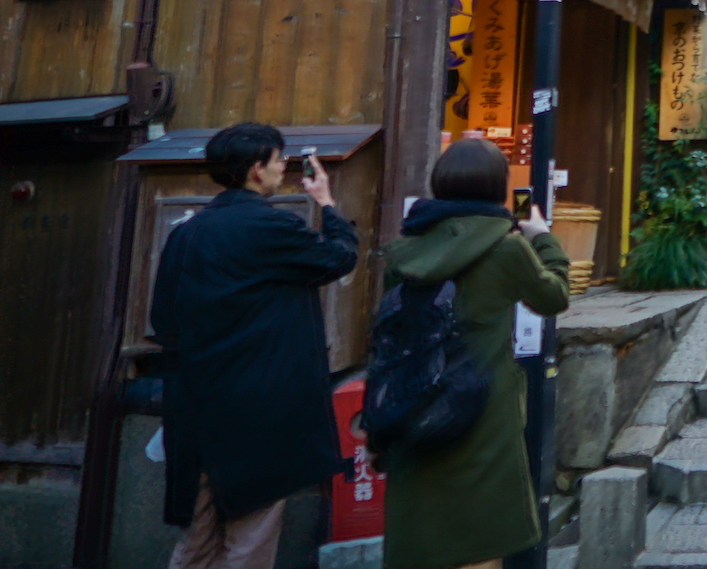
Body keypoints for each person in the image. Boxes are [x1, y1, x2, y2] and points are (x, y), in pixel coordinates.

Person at [150, 123, 359, 569]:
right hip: (261, 406)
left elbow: (162, 321)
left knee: (199, 535)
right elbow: (338, 257)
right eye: (277, 158)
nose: (283, 166)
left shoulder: (186, 234)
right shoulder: (270, 226)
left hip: (196, 403)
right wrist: (327, 203)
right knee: (250, 534)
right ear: (253, 169)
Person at [378, 138, 569, 569]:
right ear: (498, 188)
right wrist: (543, 240)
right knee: (481, 537)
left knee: (423, 533)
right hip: (483, 407)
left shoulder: (407, 246)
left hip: (415, 402)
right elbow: (553, 297)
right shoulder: (505, 247)